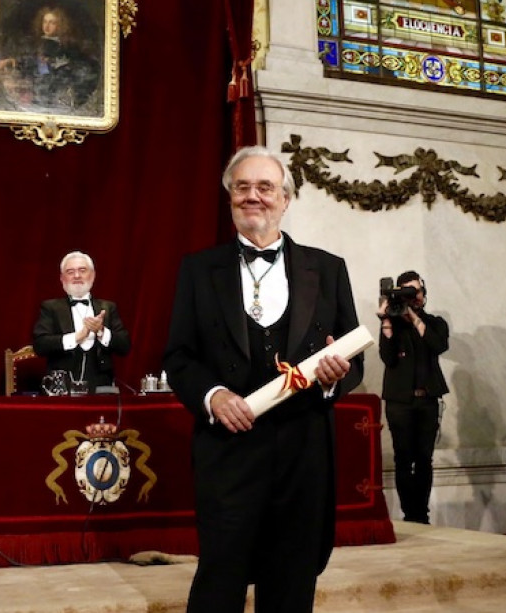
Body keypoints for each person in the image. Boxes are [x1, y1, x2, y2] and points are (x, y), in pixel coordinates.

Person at [162, 146, 363, 613]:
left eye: (265, 187)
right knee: (218, 582)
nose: (254, 196)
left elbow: (354, 359)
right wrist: (213, 396)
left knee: (292, 584)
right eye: (242, 187)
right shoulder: (198, 269)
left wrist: (336, 377)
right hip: (228, 453)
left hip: (303, 451)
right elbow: (179, 356)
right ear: (230, 197)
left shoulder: (328, 269)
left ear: (286, 198)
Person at [378, 270, 449, 525]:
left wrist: (414, 318)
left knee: (424, 459)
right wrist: (386, 320)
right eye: (407, 291)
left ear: (423, 294)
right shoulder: (392, 324)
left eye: (416, 291)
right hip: (400, 403)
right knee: (403, 457)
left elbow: (438, 345)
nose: (413, 296)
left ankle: (422, 513)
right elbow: (387, 358)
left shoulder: (435, 323)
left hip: (427, 401)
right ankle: (410, 514)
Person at [32, 251, 131, 392]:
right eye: (70, 272)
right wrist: (76, 337)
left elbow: (124, 346)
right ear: (62, 278)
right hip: (61, 390)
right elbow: (40, 346)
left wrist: (101, 331)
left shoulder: (108, 307)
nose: (77, 276)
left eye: (82, 270)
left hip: (101, 389)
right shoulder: (50, 307)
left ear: (93, 275)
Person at [0, 5, 101, 112]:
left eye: (52, 22)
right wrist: (15, 61)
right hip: (38, 90)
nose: (47, 26)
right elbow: (32, 62)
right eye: (45, 21)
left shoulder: (68, 46)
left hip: (58, 90)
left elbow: (82, 65)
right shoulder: (36, 44)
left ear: (60, 25)